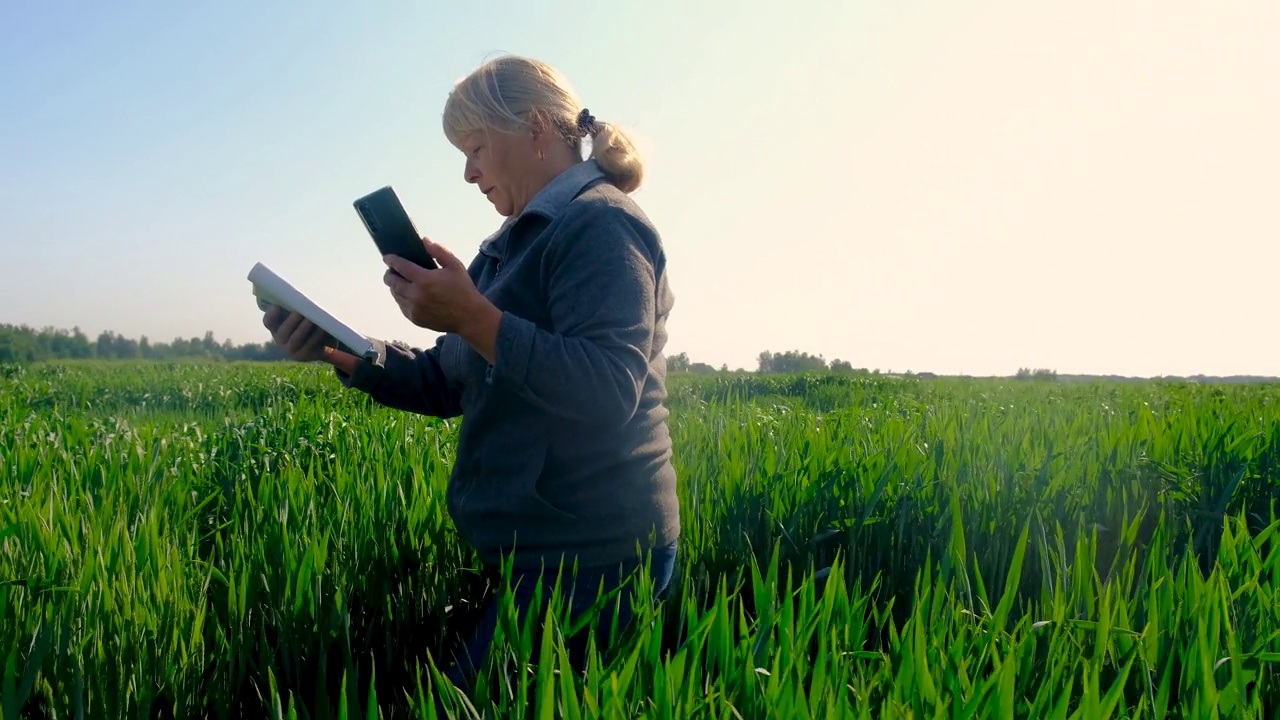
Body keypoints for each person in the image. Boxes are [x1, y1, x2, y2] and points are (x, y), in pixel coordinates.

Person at [261, 54, 681, 693]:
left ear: (538, 127)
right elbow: (448, 379)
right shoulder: (512, 243)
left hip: (596, 557)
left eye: (476, 147)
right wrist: (338, 351)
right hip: (536, 552)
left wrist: (474, 317)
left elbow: (606, 389)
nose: (467, 172)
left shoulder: (602, 224)